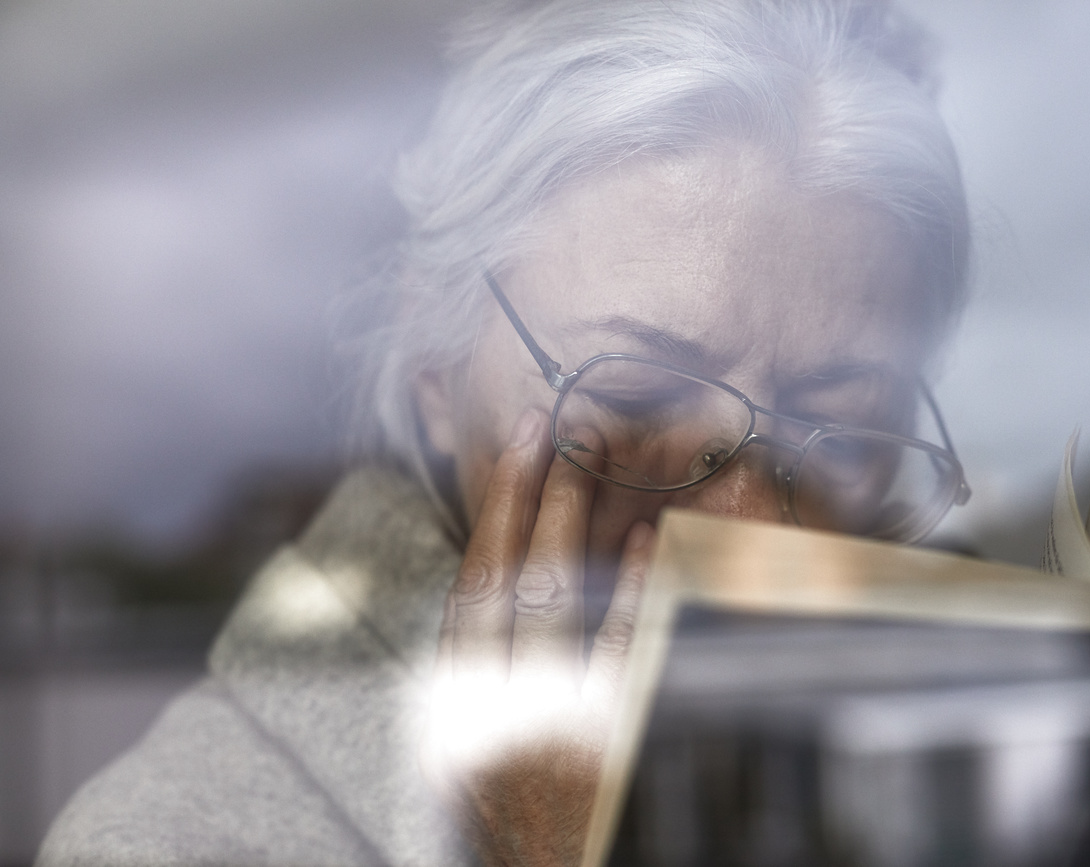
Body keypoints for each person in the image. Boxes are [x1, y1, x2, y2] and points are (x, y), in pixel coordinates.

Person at [38, 1, 970, 864]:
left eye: (841, 419)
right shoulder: (165, 842)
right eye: (638, 390)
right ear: (437, 373)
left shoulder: (969, 738)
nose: (752, 523)